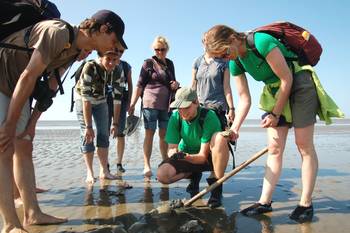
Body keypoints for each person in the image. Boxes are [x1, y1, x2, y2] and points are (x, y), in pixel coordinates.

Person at [0, 9, 127, 233]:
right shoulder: (57, 32)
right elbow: (29, 75)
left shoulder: (74, 51)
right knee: (4, 148)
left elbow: (49, 88)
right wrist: (9, 124)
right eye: (114, 40)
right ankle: (10, 224)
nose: (113, 47)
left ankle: (33, 213)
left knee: (24, 145)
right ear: (103, 29)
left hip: (17, 88)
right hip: (3, 78)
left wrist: (31, 125)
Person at [203, 24, 344, 222]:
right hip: (275, 90)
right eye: (220, 57)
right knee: (275, 148)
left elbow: (286, 79)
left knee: (304, 146)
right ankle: (265, 202)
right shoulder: (235, 62)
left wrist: (275, 114)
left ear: (233, 38)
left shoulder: (261, 42)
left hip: (299, 83)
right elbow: (244, 99)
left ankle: (305, 203)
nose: (225, 59)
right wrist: (235, 128)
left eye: (225, 52)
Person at [157, 87, 230, 208]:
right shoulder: (175, 117)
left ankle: (216, 189)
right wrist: (174, 153)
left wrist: (187, 157)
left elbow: (202, 157)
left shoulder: (209, 116)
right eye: (179, 108)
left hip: (209, 158)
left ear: (196, 102)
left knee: (220, 138)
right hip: (187, 156)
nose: (183, 112)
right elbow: (171, 148)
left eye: (186, 107)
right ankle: (193, 176)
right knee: (162, 175)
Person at [128, 36, 179, 180]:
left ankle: (164, 162)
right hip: (150, 104)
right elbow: (139, 85)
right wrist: (132, 103)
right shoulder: (148, 63)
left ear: (167, 49)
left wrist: (175, 84)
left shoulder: (170, 64)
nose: (160, 52)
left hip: (167, 105)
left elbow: (172, 82)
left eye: (162, 49)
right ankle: (147, 165)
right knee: (149, 134)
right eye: (157, 49)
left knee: (164, 135)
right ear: (153, 49)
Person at [75, 50, 126, 184]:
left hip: (101, 100)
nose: (111, 63)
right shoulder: (90, 67)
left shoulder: (118, 70)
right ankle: (90, 173)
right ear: (100, 57)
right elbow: (86, 99)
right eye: (108, 59)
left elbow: (117, 99)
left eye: (114, 60)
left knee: (104, 134)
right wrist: (88, 126)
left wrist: (115, 124)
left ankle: (104, 171)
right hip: (82, 99)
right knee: (87, 135)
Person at [106, 48, 133, 173]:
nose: (119, 52)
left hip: (121, 101)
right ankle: (105, 163)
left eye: (121, 51)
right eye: (117, 50)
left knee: (121, 133)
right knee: (104, 132)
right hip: (105, 101)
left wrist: (129, 103)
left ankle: (119, 163)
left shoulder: (126, 65)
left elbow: (131, 84)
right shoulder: (105, 62)